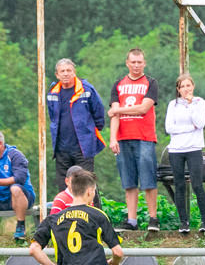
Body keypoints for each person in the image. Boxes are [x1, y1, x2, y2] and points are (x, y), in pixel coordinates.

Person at [109, 48, 160, 232]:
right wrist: (112, 138)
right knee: (129, 182)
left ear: (144, 63)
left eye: (140, 62)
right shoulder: (118, 84)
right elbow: (114, 115)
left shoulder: (151, 83)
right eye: (133, 62)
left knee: (148, 180)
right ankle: (132, 220)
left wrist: (118, 110)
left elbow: (143, 108)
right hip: (123, 138)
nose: (136, 65)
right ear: (127, 63)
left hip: (144, 137)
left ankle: (153, 218)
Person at [46, 58, 106, 206]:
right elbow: (52, 115)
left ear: (74, 72)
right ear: (57, 74)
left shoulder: (86, 89)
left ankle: (96, 217)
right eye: (62, 71)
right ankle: (66, 218)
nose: (66, 74)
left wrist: (89, 133)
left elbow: (99, 113)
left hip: (83, 147)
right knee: (64, 185)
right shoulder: (53, 92)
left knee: (87, 184)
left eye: (69, 70)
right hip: (61, 147)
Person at [165, 74, 205, 233]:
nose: (186, 89)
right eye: (182, 86)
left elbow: (199, 123)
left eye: (188, 85)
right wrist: (188, 128)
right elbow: (169, 128)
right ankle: (183, 222)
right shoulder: (173, 104)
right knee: (179, 185)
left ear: (193, 86)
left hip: (194, 148)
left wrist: (191, 105)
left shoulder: (200, 103)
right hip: (176, 149)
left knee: (197, 185)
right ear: (178, 89)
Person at [0, 131, 36, 240]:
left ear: (0, 144)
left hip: (22, 197)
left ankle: (21, 227)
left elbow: (19, 178)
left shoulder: (15, 155)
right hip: (2, 198)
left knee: (15, 188)